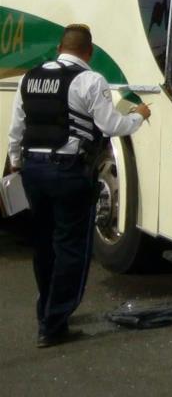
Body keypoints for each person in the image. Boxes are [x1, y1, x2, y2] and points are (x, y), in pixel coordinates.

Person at [7, 24, 151, 348]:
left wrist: (16, 162)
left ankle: (46, 311)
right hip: (69, 173)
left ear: (60, 47)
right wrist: (139, 115)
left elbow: (17, 127)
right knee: (71, 247)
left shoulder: (29, 77)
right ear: (89, 51)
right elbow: (111, 125)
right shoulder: (90, 80)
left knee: (44, 245)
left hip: (33, 171)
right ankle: (54, 324)